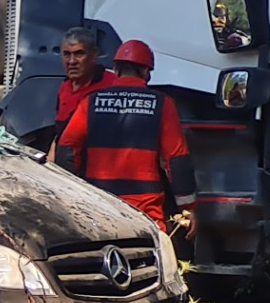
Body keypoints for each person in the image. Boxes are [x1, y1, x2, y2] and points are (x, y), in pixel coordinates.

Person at [55, 40, 198, 234]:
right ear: (146, 72)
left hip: (98, 203)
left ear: (115, 69)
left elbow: (67, 148)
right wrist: (188, 209)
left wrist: (73, 194)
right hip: (145, 208)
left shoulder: (91, 101)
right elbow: (177, 159)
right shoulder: (162, 104)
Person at [55, 27, 111, 137]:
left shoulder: (112, 85)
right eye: (67, 54)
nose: (72, 61)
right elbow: (60, 134)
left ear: (94, 55)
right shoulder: (64, 87)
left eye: (79, 54)